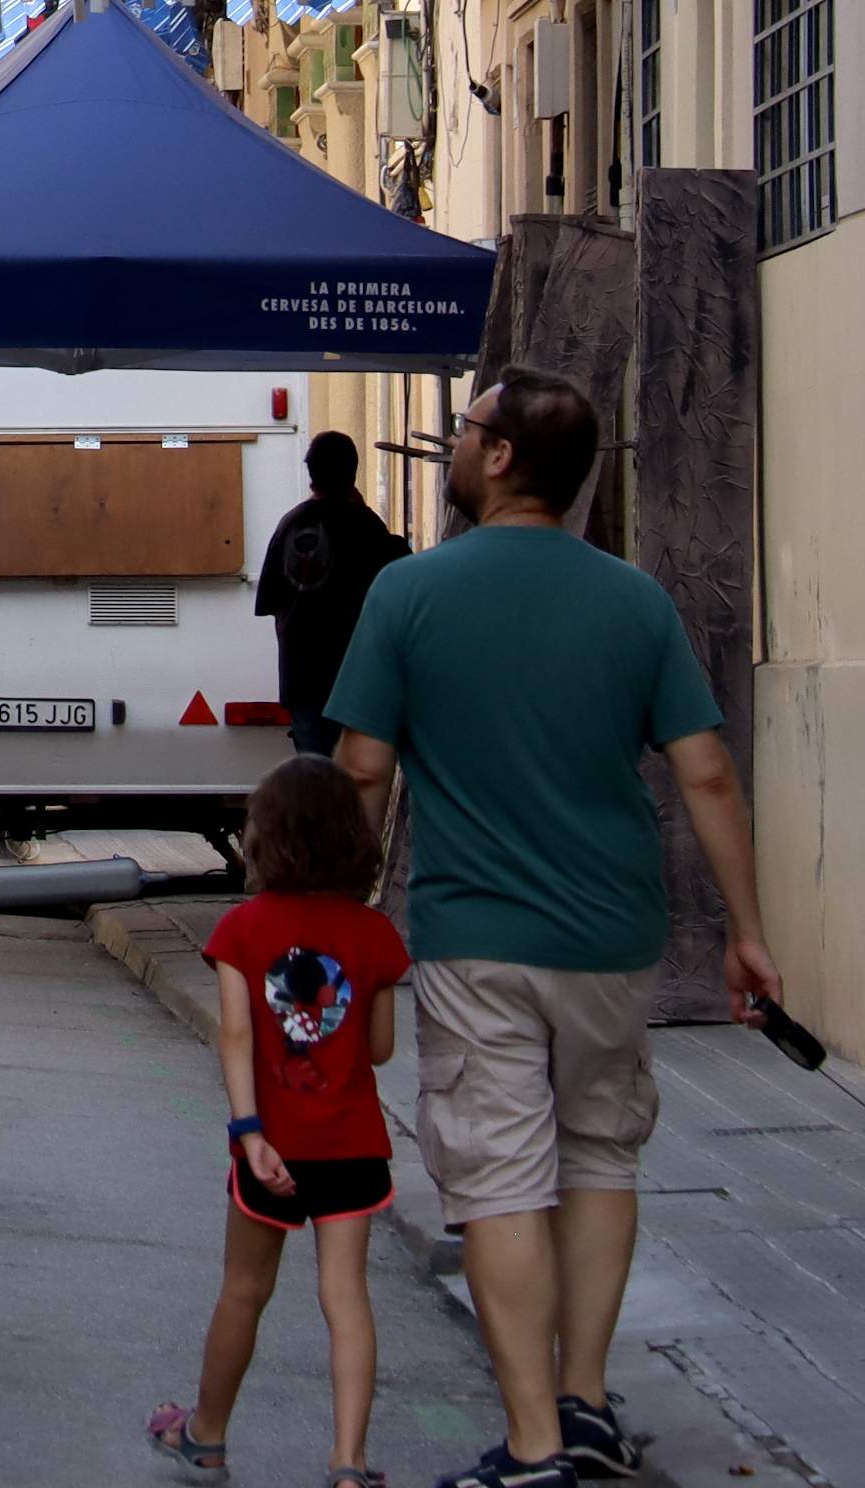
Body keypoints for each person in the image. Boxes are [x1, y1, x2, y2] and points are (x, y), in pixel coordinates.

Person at [328, 367, 780, 1488]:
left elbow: (364, 766)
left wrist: (343, 916)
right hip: (612, 934)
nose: (453, 444)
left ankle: (531, 1443)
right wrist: (746, 929)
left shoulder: (410, 594)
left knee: (496, 1176)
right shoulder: (633, 598)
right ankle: (582, 1403)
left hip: (476, 932)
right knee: (598, 1156)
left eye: (466, 427)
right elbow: (708, 772)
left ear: (501, 458)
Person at [148, 756, 411, 1487]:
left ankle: (206, 1436)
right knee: (346, 1298)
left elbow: (235, 1036)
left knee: (244, 1290)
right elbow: (381, 1049)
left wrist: (249, 1131)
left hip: (273, 1145)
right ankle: (349, 1462)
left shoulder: (241, 930)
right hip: (352, 1144)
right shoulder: (375, 936)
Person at [256, 430, 409, 758]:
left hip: (303, 677)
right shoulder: (366, 525)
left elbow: (269, 600)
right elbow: (402, 580)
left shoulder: (290, 524)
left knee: (314, 777)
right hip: (357, 676)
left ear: (312, 474)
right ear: (352, 471)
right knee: (353, 777)